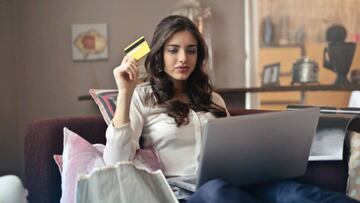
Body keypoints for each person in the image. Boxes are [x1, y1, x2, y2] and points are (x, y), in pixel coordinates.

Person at [104, 15, 359, 203]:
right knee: (217, 193)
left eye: (191, 51)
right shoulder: (142, 97)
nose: (183, 59)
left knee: (294, 193)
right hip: (190, 195)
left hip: (238, 184)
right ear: (159, 54)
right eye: (174, 50)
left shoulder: (212, 98)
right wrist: (125, 94)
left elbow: (233, 150)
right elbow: (115, 161)